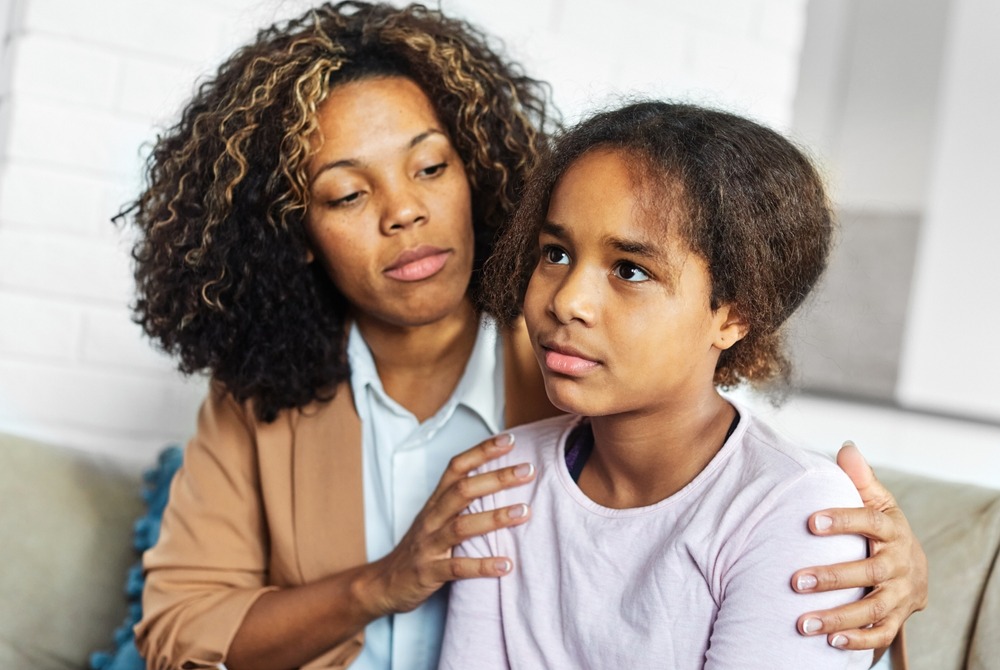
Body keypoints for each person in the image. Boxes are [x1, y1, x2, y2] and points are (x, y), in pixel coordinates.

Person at [120, 3, 926, 669]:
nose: (404, 212)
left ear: (476, 171)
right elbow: (177, 629)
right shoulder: (263, 398)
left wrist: (886, 577)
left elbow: (735, 485)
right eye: (345, 194)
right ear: (297, 231)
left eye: (430, 169)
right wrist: (385, 581)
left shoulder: (585, 370)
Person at [439, 101, 893, 668]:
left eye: (630, 269)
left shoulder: (793, 508)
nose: (566, 301)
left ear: (733, 315)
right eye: (555, 253)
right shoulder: (501, 483)